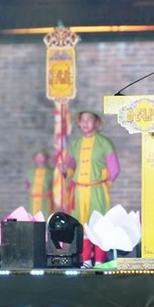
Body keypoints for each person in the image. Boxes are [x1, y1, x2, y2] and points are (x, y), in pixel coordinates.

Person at [60, 109, 120, 268]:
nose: (85, 123)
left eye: (89, 119)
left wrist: (103, 184)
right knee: (82, 225)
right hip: (78, 191)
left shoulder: (104, 143)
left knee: (99, 224)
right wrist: (65, 170)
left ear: (97, 123)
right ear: (78, 123)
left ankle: (100, 261)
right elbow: (71, 167)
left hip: (97, 190)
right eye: (83, 119)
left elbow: (114, 169)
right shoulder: (75, 144)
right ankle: (86, 260)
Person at [25, 149, 54, 216]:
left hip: (46, 200)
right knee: (34, 218)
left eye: (42, 157)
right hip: (33, 200)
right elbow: (27, 184)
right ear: (34, 159)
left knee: (45, 217)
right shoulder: (30, 172)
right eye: (38, 157)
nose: (40, 159)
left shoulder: (51, 172)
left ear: (46, 158)